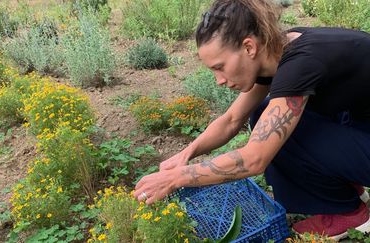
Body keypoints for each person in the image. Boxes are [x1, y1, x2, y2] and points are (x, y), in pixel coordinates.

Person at [133, 0, 370, 240]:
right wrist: (186, 154)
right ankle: (347, 189)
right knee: (263, 114)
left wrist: (176, 178)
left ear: (248, 47)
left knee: (276, 134)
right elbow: (232, 120)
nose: (219, 80)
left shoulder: (301, 63)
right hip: (358, 124)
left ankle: (348, 213)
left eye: (220, 67)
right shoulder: (275, 52)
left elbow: (254, 159)